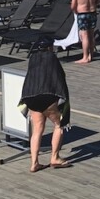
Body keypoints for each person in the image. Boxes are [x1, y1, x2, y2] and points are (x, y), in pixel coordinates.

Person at [18, 44, 72, 172]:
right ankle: (55, 158)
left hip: (31, 97)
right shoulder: (52, 58)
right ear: (49, 48)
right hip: (48, 96)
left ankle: (34, 163)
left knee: (37, 130)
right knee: (59, 125)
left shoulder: (33, 58)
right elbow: (60, 76)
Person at [70, 0, 100, 64]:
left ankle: (85, 57)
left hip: (83, 14)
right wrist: (95, 4)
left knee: (85, 36)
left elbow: (73, 6)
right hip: (92, 13)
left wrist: (75, 11)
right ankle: (91, 54)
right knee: (91, 35)